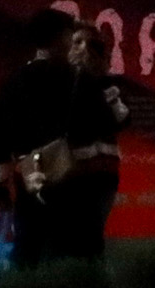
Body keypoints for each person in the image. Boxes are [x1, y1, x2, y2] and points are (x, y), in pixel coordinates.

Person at [0, 8, 77, 269]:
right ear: (59, 37)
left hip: (29, 175)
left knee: (28, 246)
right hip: (76, 175)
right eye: (70, 35)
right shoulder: (76, 79)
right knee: (72, 250)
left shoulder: (14, 81)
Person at [53, 21, 130, 262]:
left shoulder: (105, 83)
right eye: (77, 43)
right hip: (69, 171)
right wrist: (80, 76)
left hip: (103, 173)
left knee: (92, 237)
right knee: (69, 238)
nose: (83, 49)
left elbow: (122, 119)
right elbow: (66, 120)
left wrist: (99, 77)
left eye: (91, 44)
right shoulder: (58, 78)